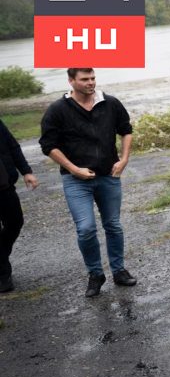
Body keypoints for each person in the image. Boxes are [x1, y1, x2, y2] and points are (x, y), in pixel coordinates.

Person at [39, 68, 138, 297]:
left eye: (92, 78)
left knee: (113, 225)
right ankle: (95, 274)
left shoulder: (110, 103)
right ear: (71, 81)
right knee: (85, 229)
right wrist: (74, 169)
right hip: (75, 180)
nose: (91, 83)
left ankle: (119, 270)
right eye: (85, 79)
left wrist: (123, 159)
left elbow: (126, 131)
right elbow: (48, 145)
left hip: (108, 176)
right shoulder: (57, 110)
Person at [0, 118, 39, 293]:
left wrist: (26, 171)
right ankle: (3, 275)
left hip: (4, 185)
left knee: (15, 222)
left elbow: (12, 146)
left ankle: (1, 255)